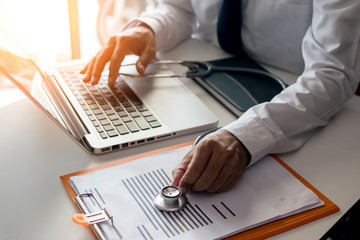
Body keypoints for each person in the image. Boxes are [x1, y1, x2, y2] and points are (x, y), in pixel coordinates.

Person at [81, 0, 360, 194]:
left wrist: (245, 137)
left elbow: (332, 72)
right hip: (205, 76)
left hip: (296, 100)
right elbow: (179, 9)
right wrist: (149, 28)